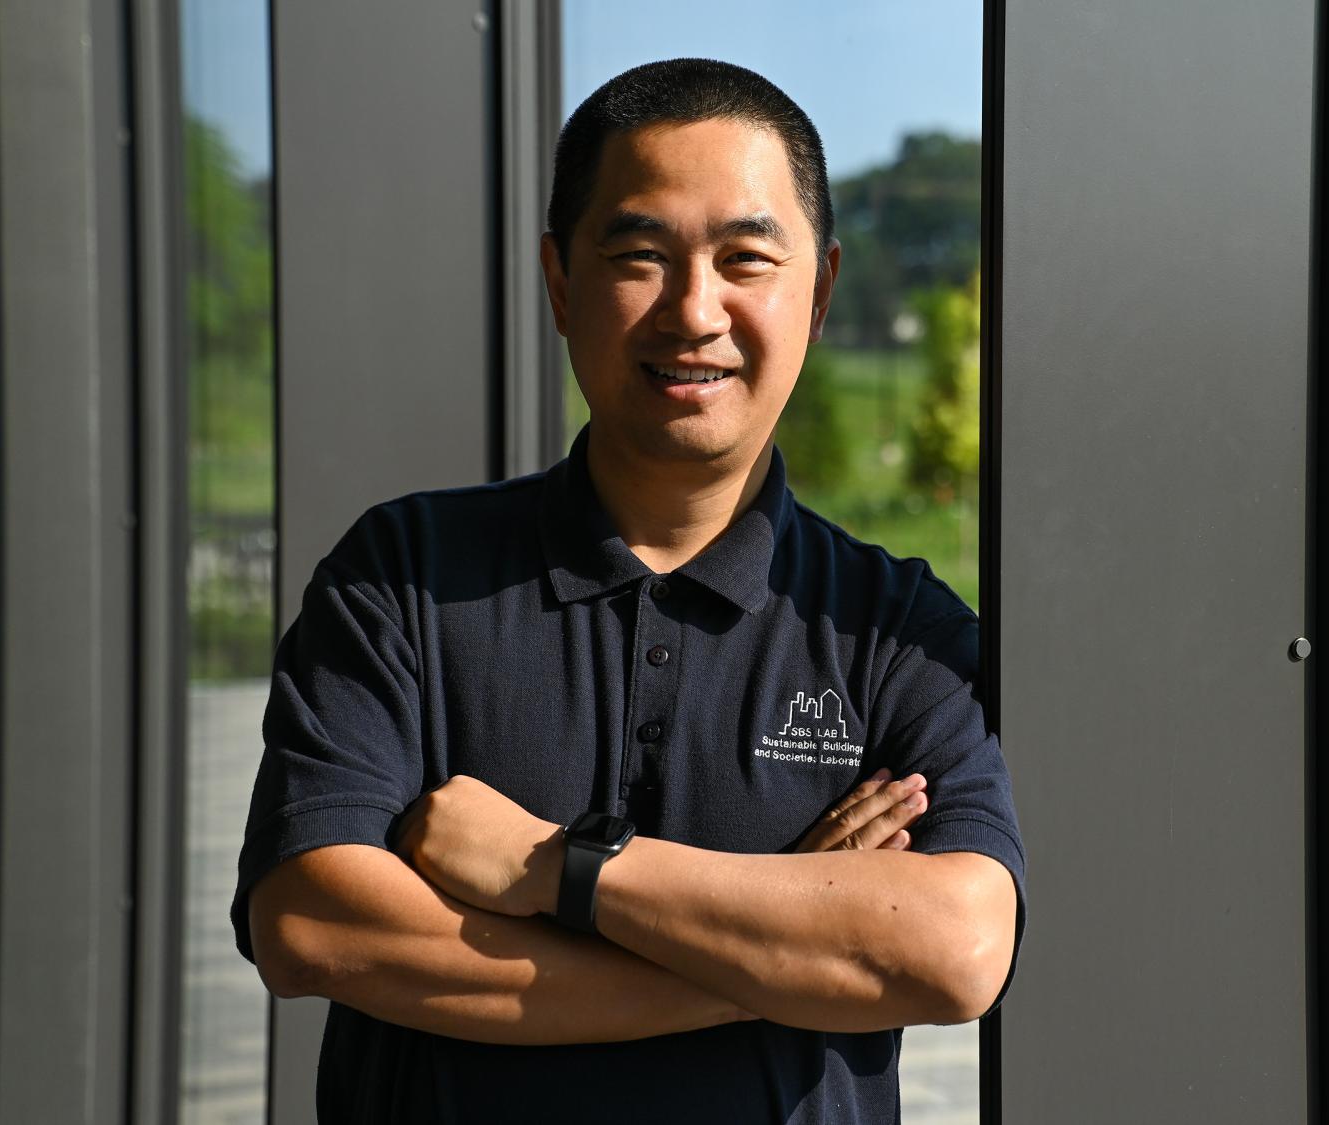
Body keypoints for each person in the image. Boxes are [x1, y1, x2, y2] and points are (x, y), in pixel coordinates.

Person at [235, 57, 1024, 1124]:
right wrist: (773, 958)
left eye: (746, 259)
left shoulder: (893, 627)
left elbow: (957, 948)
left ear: (822, 290)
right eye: (641, 257)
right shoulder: (404, 575)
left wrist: (553, 869)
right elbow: (312, 923)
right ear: (561, 283)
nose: (694, 311)